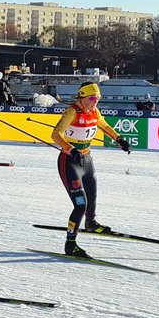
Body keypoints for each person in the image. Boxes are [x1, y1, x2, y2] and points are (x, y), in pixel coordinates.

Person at [50, 82, 132, 258]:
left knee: (92, 196)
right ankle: (70, 244)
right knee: (81, 204)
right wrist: (70, 149)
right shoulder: (72, 112)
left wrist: (120, 139)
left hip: (86, 159)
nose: (95, 101)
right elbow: (56, 135)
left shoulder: (94, 111)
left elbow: (104, 125)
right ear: (82, 97)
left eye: (98, 98)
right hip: (70, 162)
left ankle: (91, 223)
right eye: (92, 98)